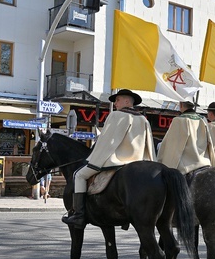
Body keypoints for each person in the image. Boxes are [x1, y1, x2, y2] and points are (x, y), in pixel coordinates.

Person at [62, 89, 155, 228]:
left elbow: (106, 141)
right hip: (138, 162)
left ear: (127, 101)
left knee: (79, 175)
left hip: (115, 162)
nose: (115, 103)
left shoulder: (116, 115)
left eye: (117, 100)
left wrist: (94, 157)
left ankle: (79, 215)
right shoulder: (143, 119)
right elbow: (148, 145)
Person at [157, 100, 215, 174]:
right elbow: (209, 142)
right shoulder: (203, 119)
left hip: (187, 168)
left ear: (181, 105)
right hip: (205, 163)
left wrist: (162, 162)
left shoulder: (178, 120)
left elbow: (171, 146)